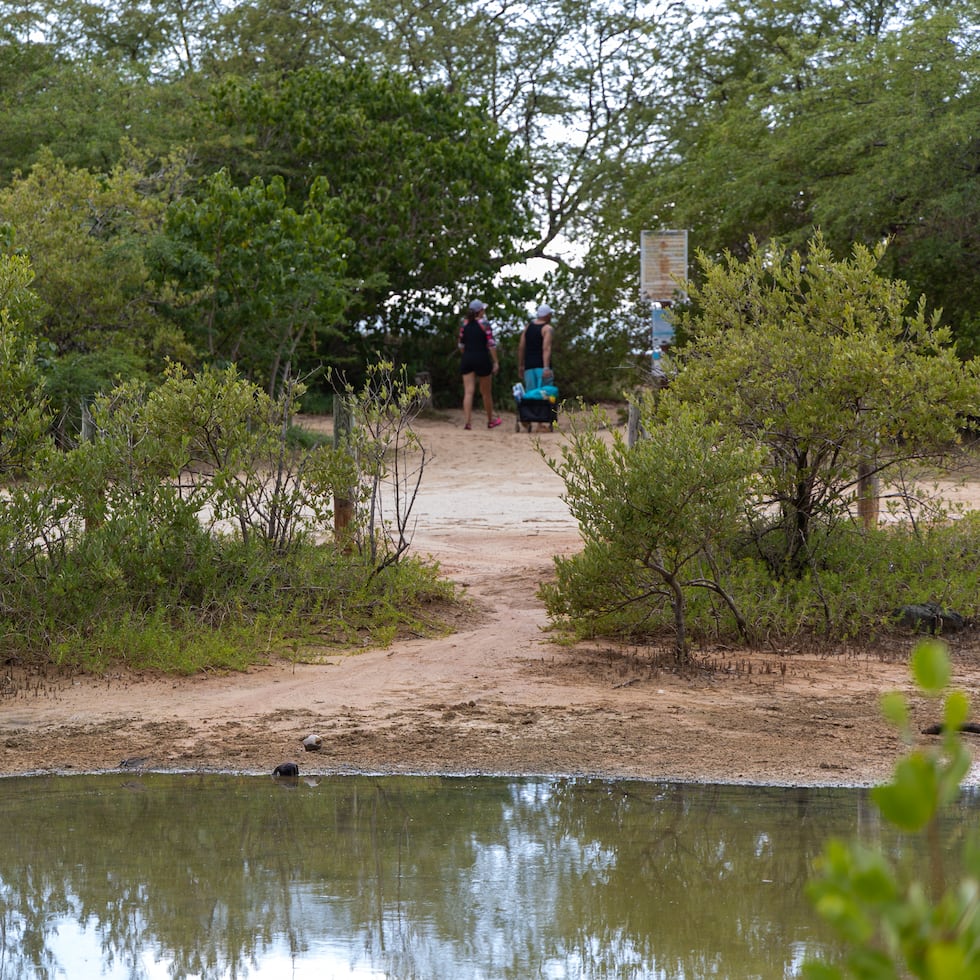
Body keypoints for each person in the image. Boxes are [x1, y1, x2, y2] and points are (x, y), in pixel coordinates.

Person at [458, 299, 501, 430]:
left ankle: (467, 422)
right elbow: (491, 344)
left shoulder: (464, 324)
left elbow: (461, 345)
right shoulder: (485, 324)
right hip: (482, 358)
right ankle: (490, 420)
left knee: (468, 391)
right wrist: (496, 361)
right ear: (480, 311)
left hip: (467, 358)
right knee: (486, 392)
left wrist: (467, 354)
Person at [517, 304, 556, 431]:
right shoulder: (547, 329)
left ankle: (527, 419)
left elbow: (521, 347)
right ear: (547, 315)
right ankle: (541, 423)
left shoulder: (528, 327)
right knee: (543, 395)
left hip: (529, 366)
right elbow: (546, 348)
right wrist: (546, 368)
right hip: (541, 366)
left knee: (530, 394)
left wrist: (521, 365)